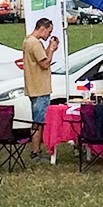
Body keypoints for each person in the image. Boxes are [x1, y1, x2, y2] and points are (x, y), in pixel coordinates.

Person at [23, 18, 59, 161]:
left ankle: (35, 150)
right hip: (40, 88)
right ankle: (35, 152)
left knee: (36, 120)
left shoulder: (28, 41)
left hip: (33, 86)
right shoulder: (35, 43)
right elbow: (44, 63)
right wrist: (51, 50)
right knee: (39, 122)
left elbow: (40, 58)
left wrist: (49, 48)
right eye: (48, 31)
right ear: (42, 28)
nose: (48, 35)